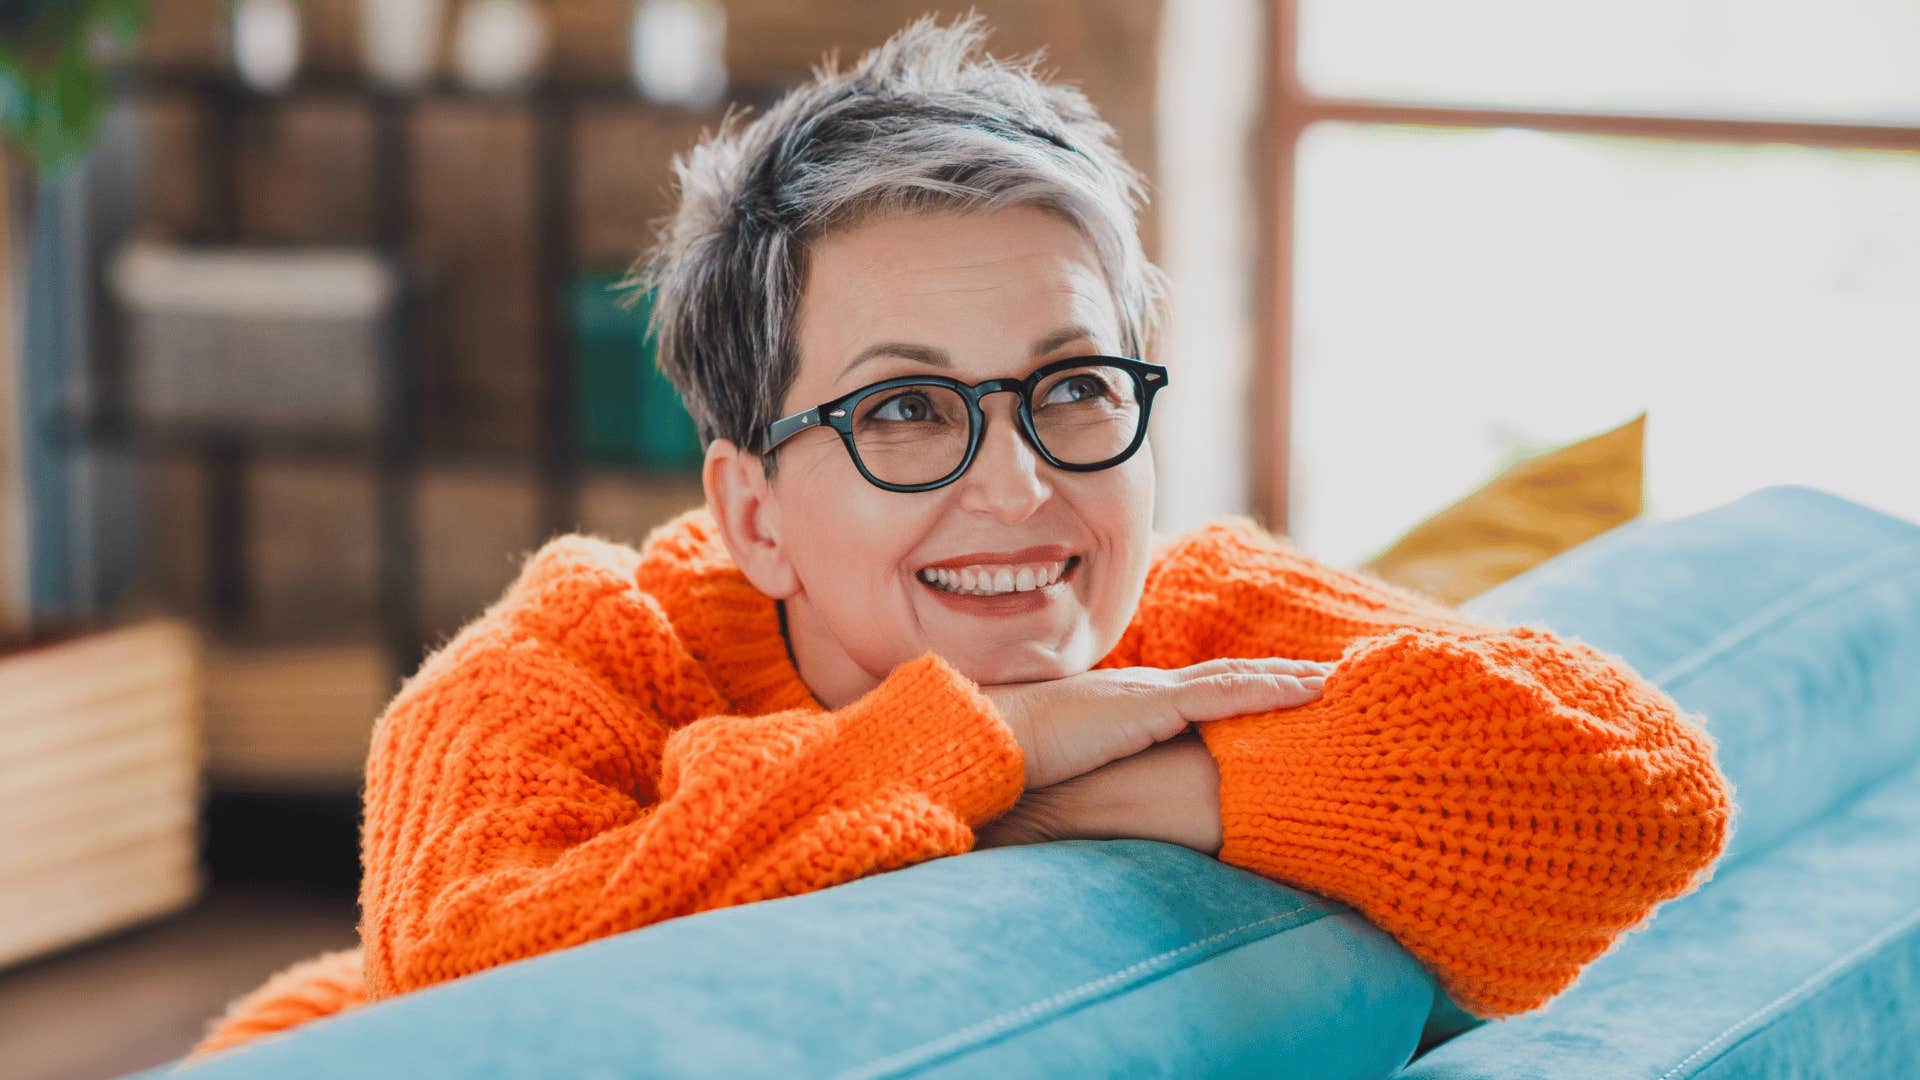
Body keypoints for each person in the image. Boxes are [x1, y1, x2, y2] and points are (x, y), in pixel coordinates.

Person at [188, 13, 1733, 1059]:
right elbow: (467, 1004)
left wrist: (1121, 785)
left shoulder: (1191, 617)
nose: (1017, 488)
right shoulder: (566, 664)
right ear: (752, 512)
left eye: (1069, 387)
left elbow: (1642, 787)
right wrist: (992, 749)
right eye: (906, 414)